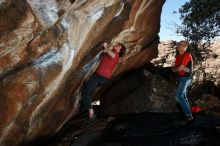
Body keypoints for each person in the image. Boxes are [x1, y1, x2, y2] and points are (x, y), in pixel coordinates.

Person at [81, 42, 126, 119]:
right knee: (89, 91)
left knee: (86, 93)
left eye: (119, 46)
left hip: (99, 76)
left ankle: (91, 113)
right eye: (117, 44)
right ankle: (85, 104)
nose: (116, 45)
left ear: (119, 50)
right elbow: (107, 57)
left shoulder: (115, 54)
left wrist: (106, 46)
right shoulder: (113, 55)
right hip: (104, 78)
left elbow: (112, 55)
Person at [172, 40, 194, 122]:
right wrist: (177, 69)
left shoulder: (187, 55)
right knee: (183, 96)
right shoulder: (178, 56)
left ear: (185, 47)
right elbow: (178, 67)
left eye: (182, 44)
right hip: (180, 77)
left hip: (186, 78)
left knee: (178, 96)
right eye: (179, 44)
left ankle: (189, 116)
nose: (179, 45)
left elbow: (179, 68)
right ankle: (189, 114)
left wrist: (176, 69)